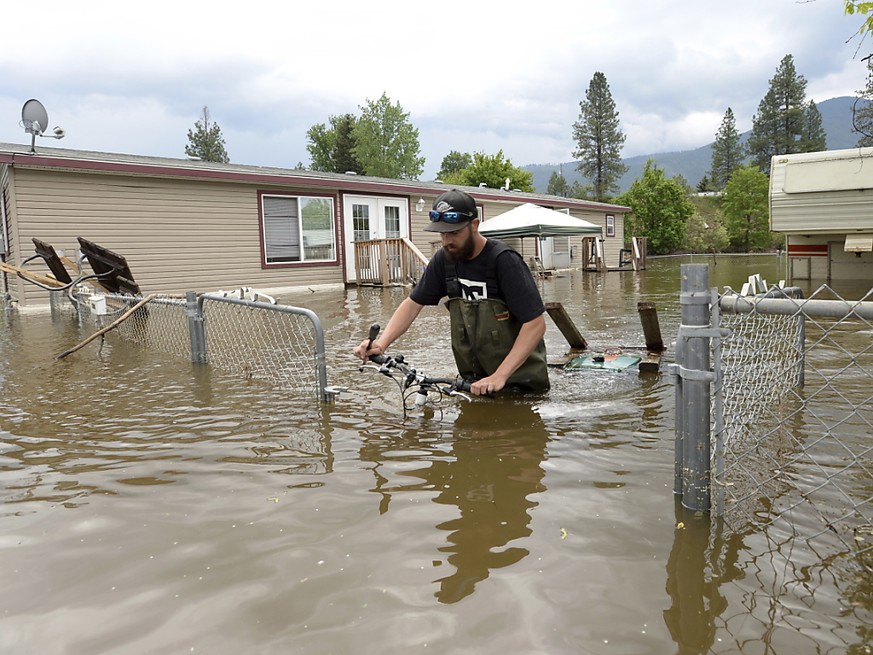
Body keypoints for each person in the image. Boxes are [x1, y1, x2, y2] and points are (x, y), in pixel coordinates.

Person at [354, 189, 549, 395]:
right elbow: (412, 305)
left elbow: (535, 324)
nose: (447, 240)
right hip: (472, 383)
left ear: (474, 225)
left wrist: (500, 375)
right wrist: (381, 344)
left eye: (454, 232)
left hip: (521, 384)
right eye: (442, 233)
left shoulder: (504, 261)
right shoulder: (444, 261)